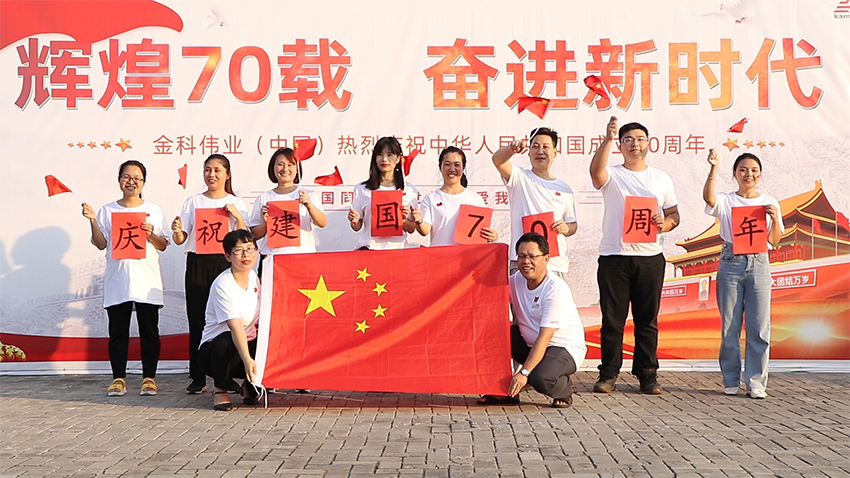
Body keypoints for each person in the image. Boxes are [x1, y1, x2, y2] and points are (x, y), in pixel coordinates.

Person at [589, 116, 680, 395]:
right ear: (620, 145)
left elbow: (674, 214)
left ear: (649, 144)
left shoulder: (661, 178)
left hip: (649, 257)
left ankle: (647, 374)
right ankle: (608, 373)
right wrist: (607, 138)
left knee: (647, 320)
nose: (634, 144)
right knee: (612, 321)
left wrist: (665, 224)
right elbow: (595, 173)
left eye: (640, 139)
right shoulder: (612, 174)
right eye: (628, 140)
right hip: (614, 256)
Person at [80, 160, 168, 397]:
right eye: (127, 177)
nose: (131, 182)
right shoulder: (107, 210)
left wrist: (151, 235)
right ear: (119, 180)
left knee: (149, 332)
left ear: (144, 183)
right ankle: (118, 378)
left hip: (146, 279)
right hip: (118, 279)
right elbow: (101, 244)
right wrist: (92, 220)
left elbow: (163, 244)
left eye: (137, 178)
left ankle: (149, 378)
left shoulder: (153, 210)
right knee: (118, 332)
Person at [703, 150, 784, 399]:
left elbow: (774, 239)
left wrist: (775, 219)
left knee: (759, 326)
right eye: (743, 170)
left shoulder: (769, 201)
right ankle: (730, 380)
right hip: (731, 262)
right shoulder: (727, 200)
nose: (749, 174)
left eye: (754, 170)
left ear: (760, 174)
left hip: (759, 261)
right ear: (735, 174)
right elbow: (708, 198)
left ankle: (756, 382)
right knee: (730, 325)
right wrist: (713, 168)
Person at [171, 154, 249, 395]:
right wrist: (177, 232)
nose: (211, 174)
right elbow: (181, 238)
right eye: (207, 170)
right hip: (198, 263)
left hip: (225, 264)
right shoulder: (193, 201)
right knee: (197, 319)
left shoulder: (236, 202)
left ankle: (227, 374)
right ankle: (197, 376)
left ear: (227, 174)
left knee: (230, 319)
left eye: (217, 170)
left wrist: (237, 216)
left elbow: (246, 239)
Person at [478, 233, 586, 408]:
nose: (526, 261)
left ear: (546, 259)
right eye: (521, 256)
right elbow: (488, 292)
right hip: (529, 345)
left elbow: (545, 337)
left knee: (540, 378)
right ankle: (506, 391)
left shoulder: (555, 290)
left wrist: (524, 373)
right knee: (494, 333)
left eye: (532, 256)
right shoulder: (516, 281)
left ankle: (564, 389)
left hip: (562, 348)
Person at [491, 127, 577, 279]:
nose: (540, 151)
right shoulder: (519, 177)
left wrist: (565, 228)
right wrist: (511, 149)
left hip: (555, 263)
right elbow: (498, 160)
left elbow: (573, 225)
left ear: (555, 152)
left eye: (545, 147)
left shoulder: (564, 189)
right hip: (524, 262)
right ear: (529, 151)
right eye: (535, 146)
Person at [197, 229, 261, 411]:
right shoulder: (223, 284)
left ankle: (249, 385)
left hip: (246, 341)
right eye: (239, 250)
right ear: (228, 256)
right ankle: (220, 389)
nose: (246, 254)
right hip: (215, 351)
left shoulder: (253, 277)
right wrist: (247, 360)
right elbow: (235, 326)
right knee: (226, 340)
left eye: (250, 249)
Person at [249, 147, 328, 268]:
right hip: (272, 259)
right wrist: (266, 223)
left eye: (290, 164)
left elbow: (322, 222)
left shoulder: (307, 195)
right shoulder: (264, 198)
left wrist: (309, 205)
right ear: (273, 168)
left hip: (302, 257)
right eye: (280, 164)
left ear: (297, 169)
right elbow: (254, 235)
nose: (285, 169)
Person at [411, 146, 498, 245]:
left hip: (466, 254)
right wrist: (419, 221)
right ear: (440, 167)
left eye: (457, 165)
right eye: (447, 164)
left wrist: (493, 236)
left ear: (463, 167)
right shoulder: (431, 199)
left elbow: (481, 232)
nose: (452, 169)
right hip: (440, 254)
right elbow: (425, 230)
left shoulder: (475, 199)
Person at [347, 136, 418, 250]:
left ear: (398, 158)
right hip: (370, 249)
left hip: (398, 250)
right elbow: (356, 227)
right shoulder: (362, 189)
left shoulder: (408, 189)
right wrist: (354, 220)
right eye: (380, 154)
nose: (384, 159)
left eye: (390, 155)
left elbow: (411, 229)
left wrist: (403, 219)